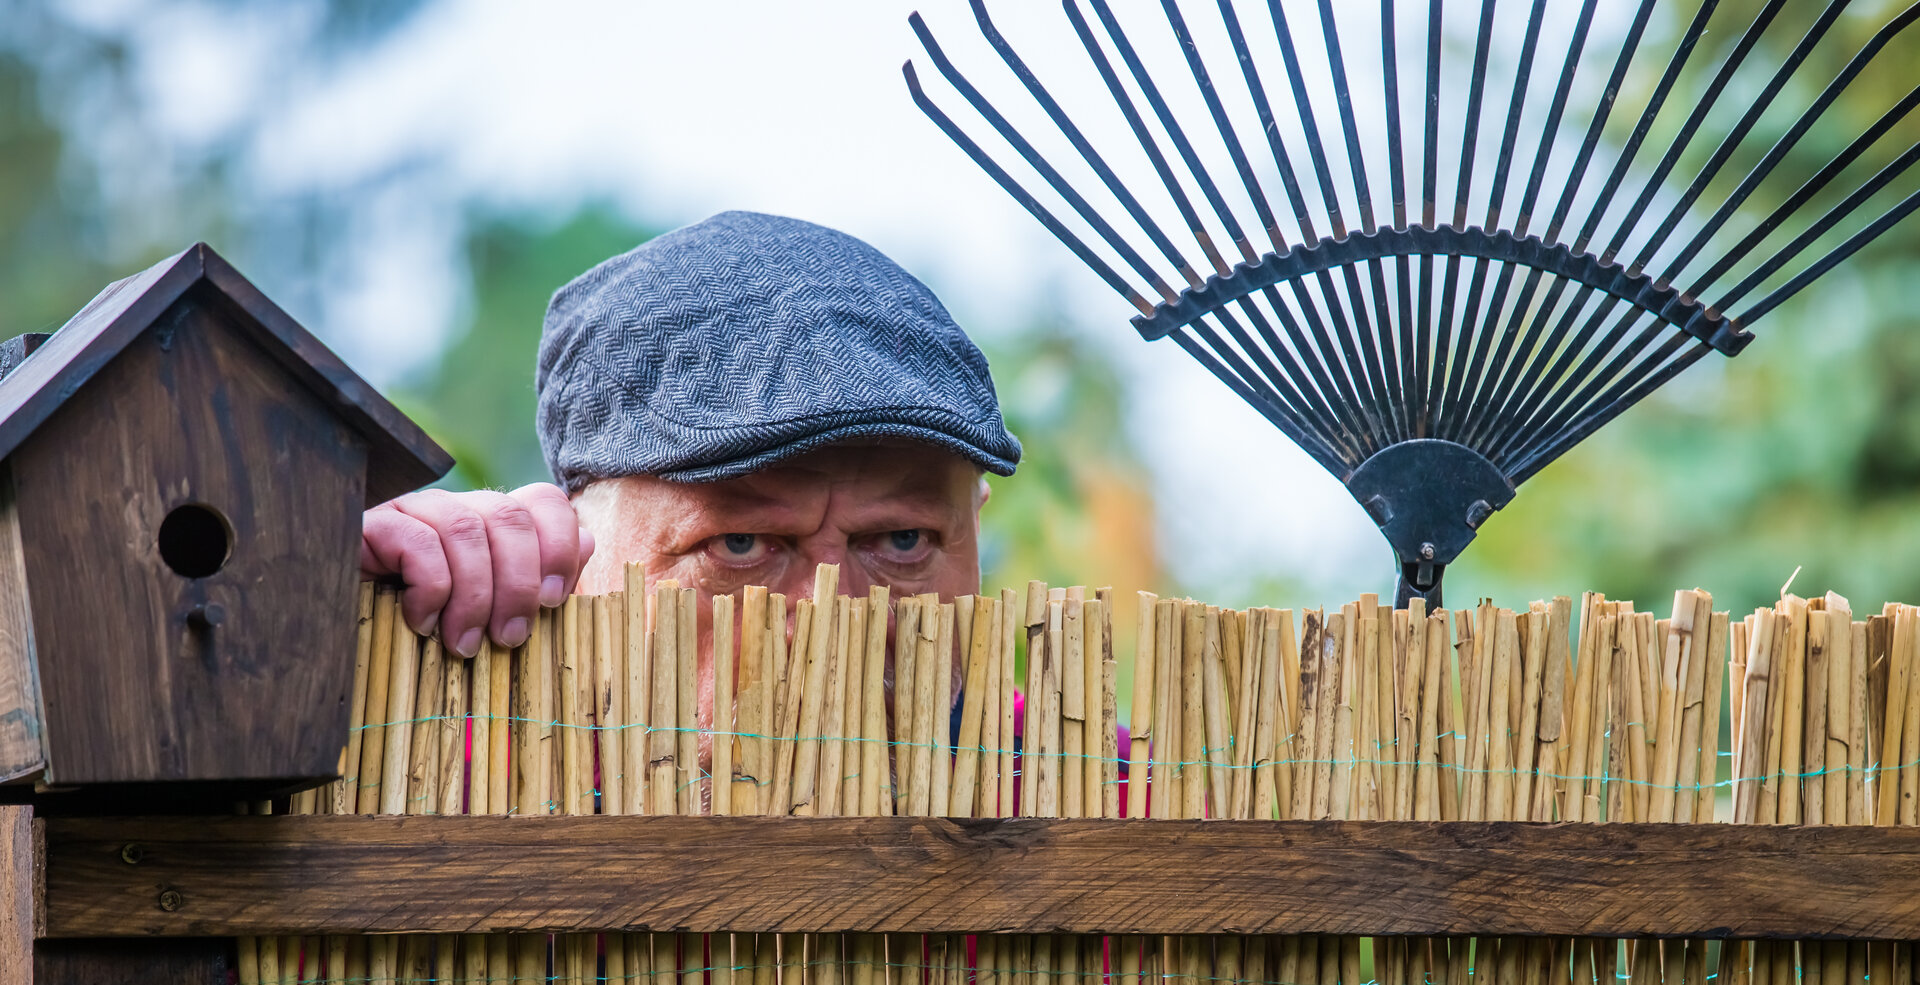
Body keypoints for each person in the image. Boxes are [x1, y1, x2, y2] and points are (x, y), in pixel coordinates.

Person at [360, 211, 1022, 681]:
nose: (832, 627)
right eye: (739, 545)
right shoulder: (445, 772)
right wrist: (321, 614)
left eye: (903, 541)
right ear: (576, 550)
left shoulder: (1095, 795)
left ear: (975, 523)